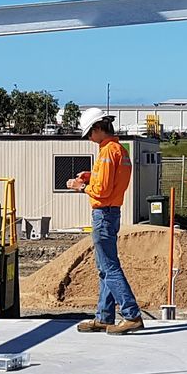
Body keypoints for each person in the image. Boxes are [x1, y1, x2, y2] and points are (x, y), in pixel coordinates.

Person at [67, 117, 145, 333]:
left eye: (90, 133)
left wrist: (80, 186)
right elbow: (109, 180)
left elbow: (102, 190)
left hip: (104, 213)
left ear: (99, 128)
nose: (89, 138)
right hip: (111, 212)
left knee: (109, 266)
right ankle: (104, 316)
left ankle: (131, 314)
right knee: (104, 267)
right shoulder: (117, 150)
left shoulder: (108, 152)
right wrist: (90, 176)